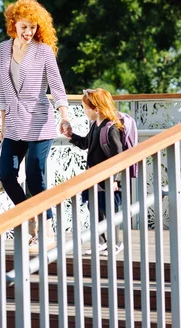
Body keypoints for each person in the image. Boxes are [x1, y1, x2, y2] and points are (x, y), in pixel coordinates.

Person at [0, 0, 71, 252]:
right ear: (13, 23)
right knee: (6, 175)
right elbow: (3, 94)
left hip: (40, 123)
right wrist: (3, 126)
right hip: (14, 125)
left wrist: (64, 116)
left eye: (33, 28)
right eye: (24, 27)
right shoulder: (1, 50)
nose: (28, 32)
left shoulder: (43, 51)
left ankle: (46, 231)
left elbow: (57, 87)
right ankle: (30, 217)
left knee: (35, 177)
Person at [62, 88, 124, 255]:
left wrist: (115, 179)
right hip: (94, 178)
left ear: (96, 109)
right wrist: (71, 135)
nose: (84, 111)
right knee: (95, 209)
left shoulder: (111, 128)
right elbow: (85, 144)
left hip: (108, 180)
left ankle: (116, 243)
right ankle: (101, 242)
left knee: (110, 211)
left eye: (85, 108)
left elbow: (119, 156)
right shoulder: (96, 125)